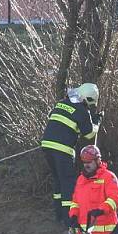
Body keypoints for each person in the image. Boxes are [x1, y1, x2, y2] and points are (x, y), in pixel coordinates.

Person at [40, 83, 101, 226]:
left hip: (47, 146)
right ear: (87, 99)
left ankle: (59, 215)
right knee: (68, 183)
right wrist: (96, 122)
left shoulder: (61, 103)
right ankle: (70, 221)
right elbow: (89, 134)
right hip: (62, 150)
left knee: (58, 181)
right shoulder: (82, 111)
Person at [67, 145, 118, 234]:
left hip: (101, 232)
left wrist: (101, 210)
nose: (86, 165)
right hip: (82, 231)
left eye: (89, 162)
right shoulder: (81, 180)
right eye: (84, 162)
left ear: (97, 161)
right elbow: (75, 201)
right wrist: (73, 216)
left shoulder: (108, 177)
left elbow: (115, 199)